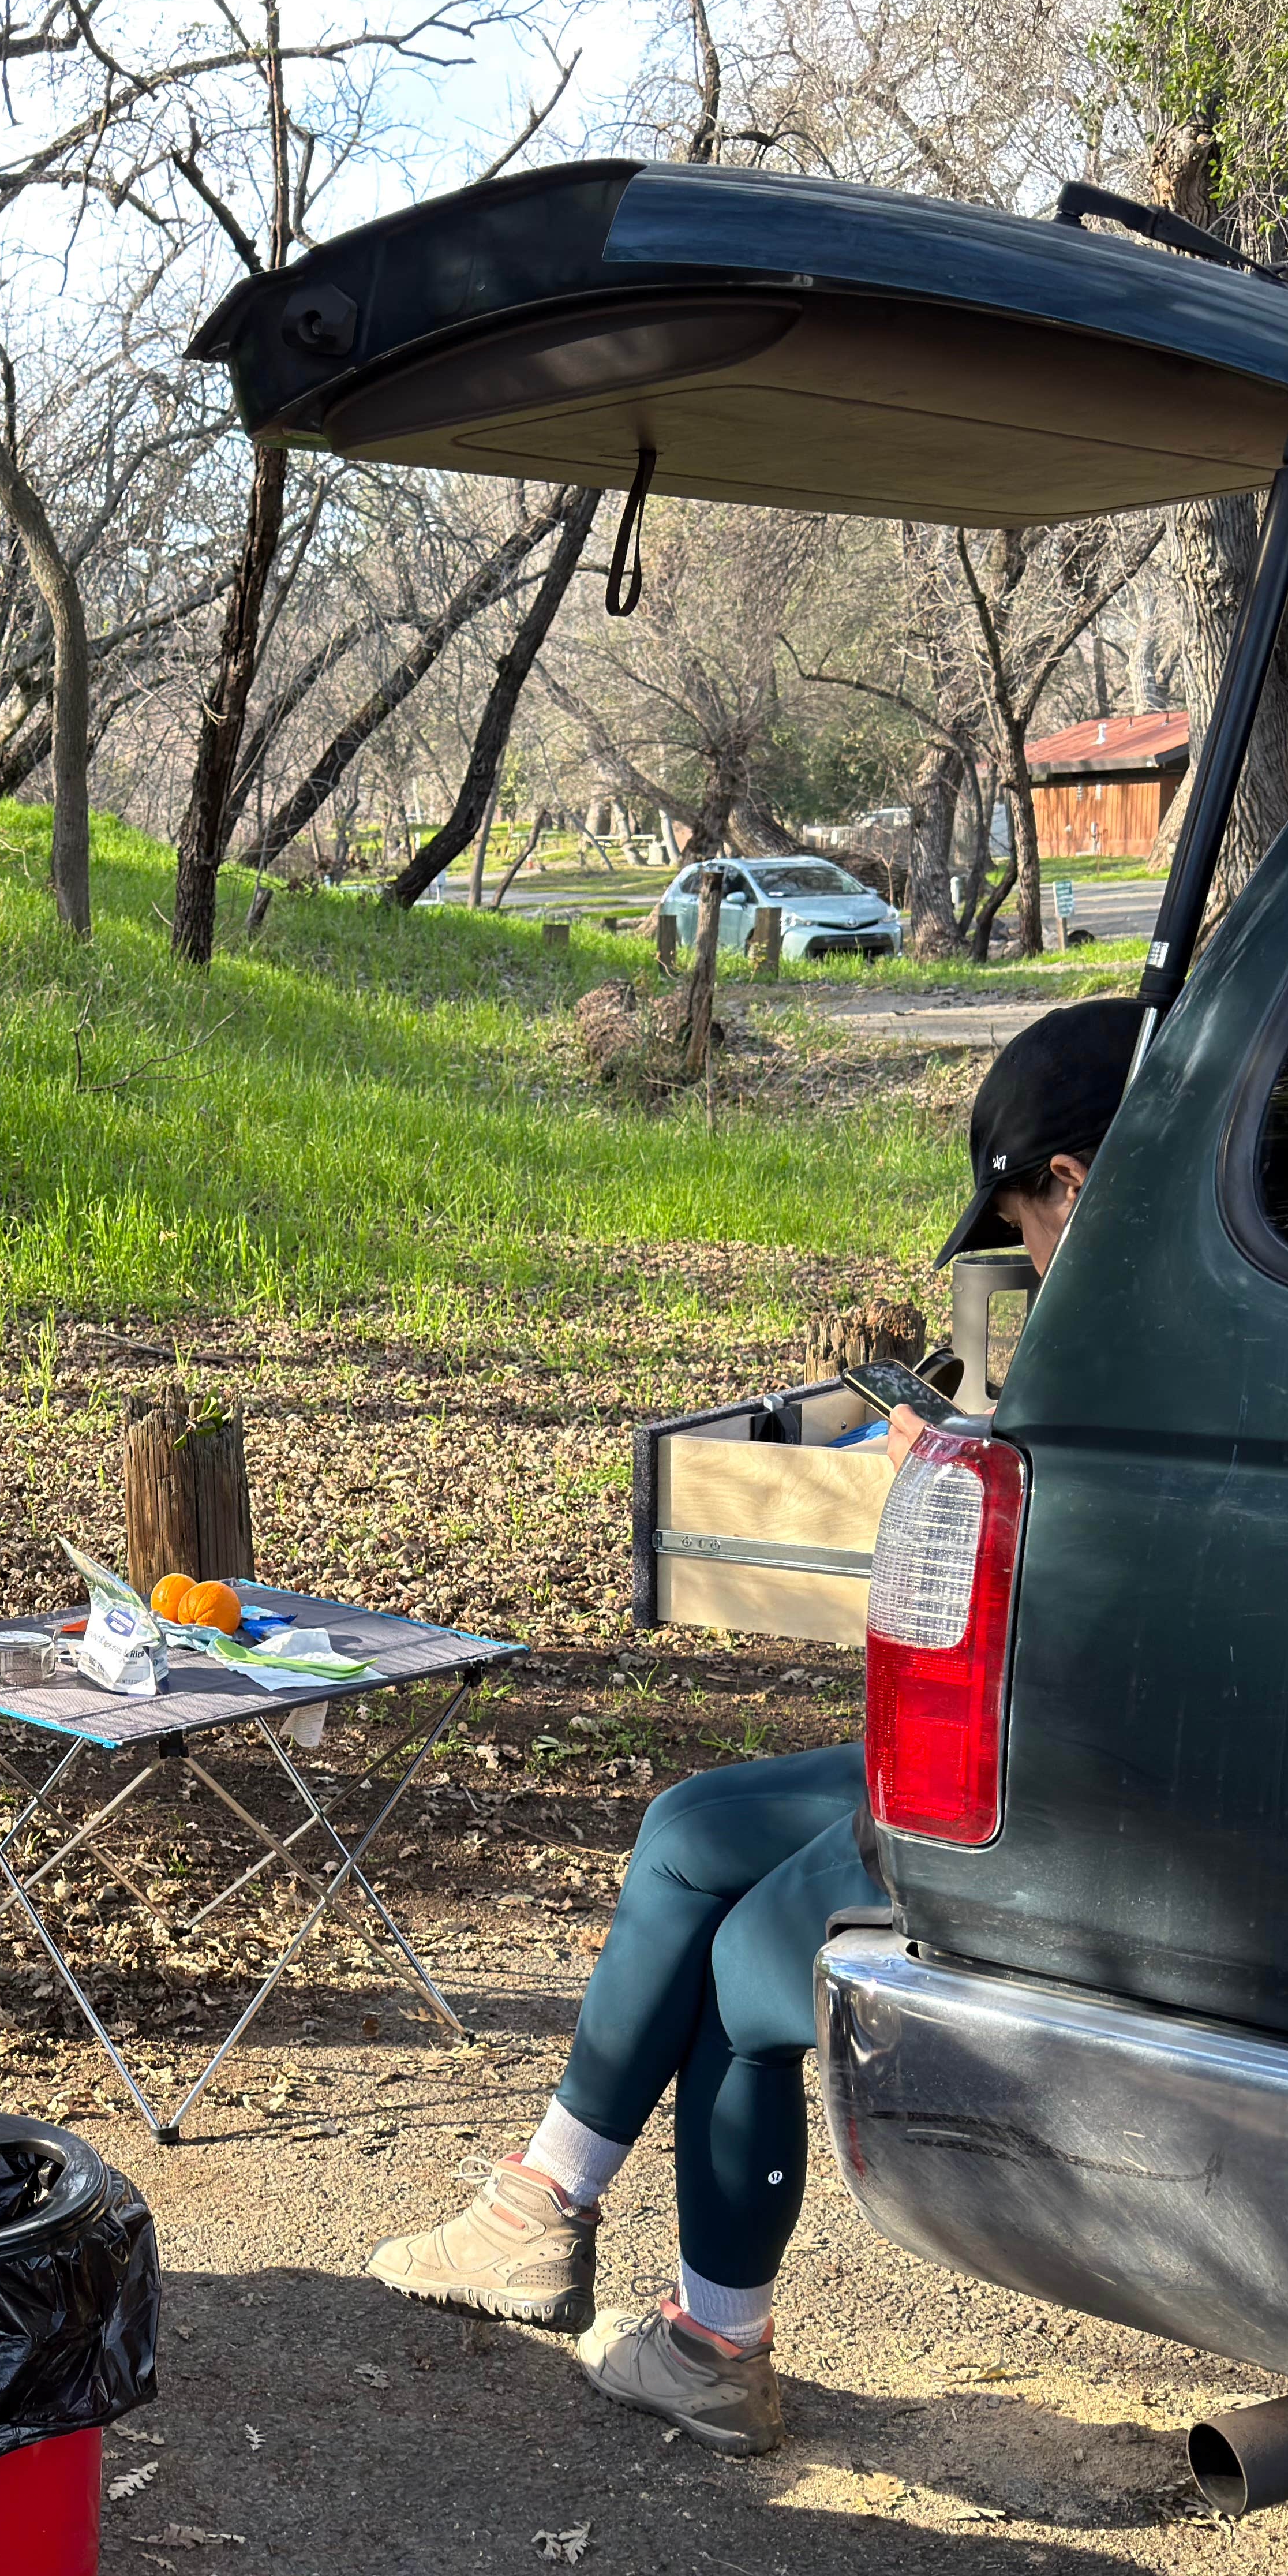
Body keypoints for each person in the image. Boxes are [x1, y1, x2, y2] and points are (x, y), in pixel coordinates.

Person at [365, 998, 1140, 2452]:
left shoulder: (1145, 1335)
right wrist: (970, 1459)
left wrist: (953, 1487)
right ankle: (539, 2207)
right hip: (1024, 1747)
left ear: (1073, 1180)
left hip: (1057, 1790)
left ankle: (716, 2345)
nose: (1028, 1257)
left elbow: (1076, 1595)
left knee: (745, 1962)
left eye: (1023, 1223)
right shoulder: (1141, 1320)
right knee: (687, 1829)